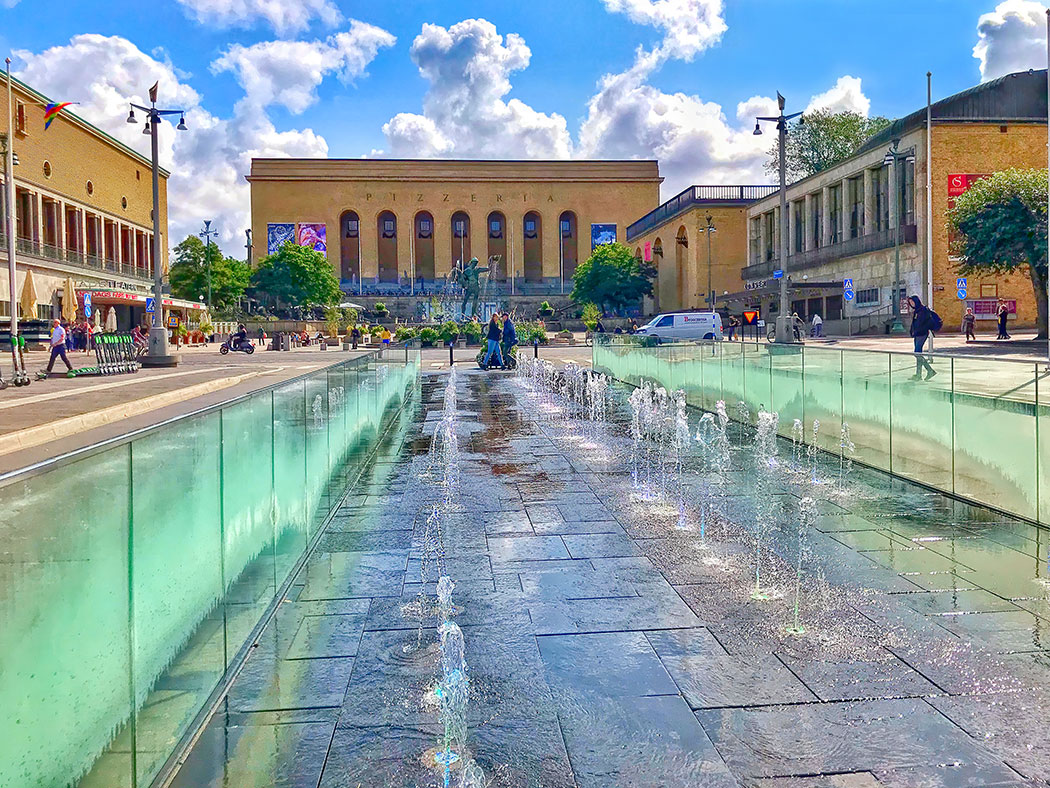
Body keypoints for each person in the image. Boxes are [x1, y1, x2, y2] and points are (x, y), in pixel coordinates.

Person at [908, 295, 938, 380]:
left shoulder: (923, 310)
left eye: (912, 302)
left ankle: (929, 370)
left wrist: (919, 330)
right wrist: (912, 331)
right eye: (910, 303)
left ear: (916, 301)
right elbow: (915, 323)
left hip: (922, 334)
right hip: (917, 334)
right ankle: (919, 374)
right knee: (918, 353)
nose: (912, 304)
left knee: (917, 353)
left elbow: (925, 323)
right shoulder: (916, 311)